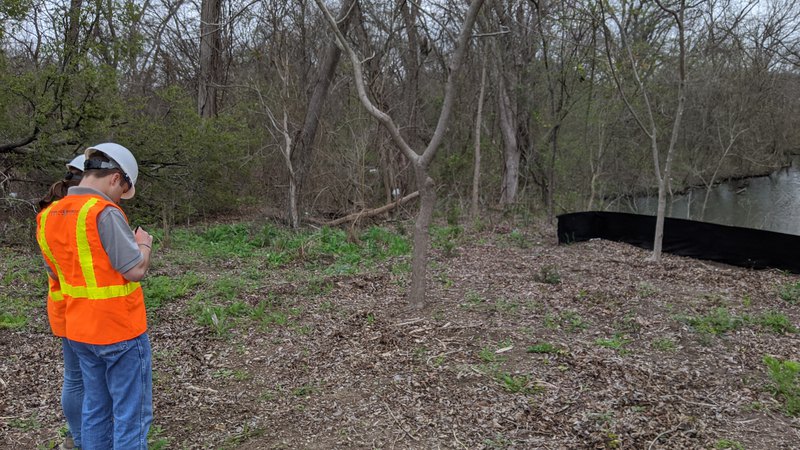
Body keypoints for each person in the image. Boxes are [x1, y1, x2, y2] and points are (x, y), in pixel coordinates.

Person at [36, 143, 154, 449]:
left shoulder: (48, 216)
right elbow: (135, 270)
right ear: (115, 178)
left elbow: (56, 274)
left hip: (79, 331)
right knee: (131, 416)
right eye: (123, 190)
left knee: (95, 410)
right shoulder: (103, 212)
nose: (119, 199)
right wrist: (144, 244)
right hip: (119, 330)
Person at [38, 154, 86, 450]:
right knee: (92, 378)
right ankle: (87, 438)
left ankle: (77, 437)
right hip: (93, 310)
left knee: (74, 377)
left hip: (62, 307)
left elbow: (52, 267)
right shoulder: (91, 212)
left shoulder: (47, 215)